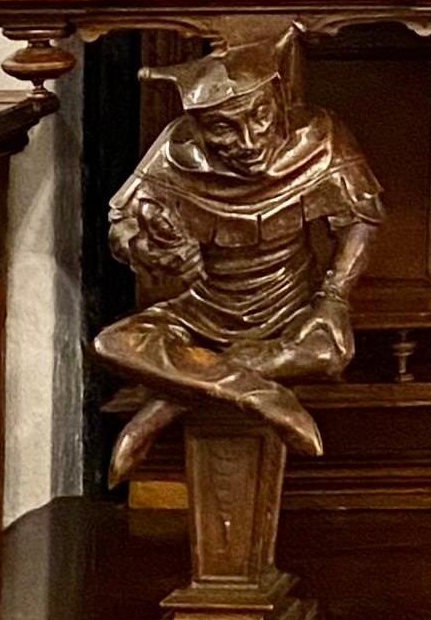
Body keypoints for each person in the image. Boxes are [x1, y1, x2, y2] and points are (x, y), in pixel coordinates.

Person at [94, 32, 382, 485]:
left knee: (329, 349)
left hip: (292, 308)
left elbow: (360, 220)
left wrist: (333, 298)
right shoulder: (176, 151)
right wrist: (155, 252)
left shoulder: (319, 137)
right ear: (196, 126)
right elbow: (122, 226)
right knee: (112, 343)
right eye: (223, 128)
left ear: (278, 100)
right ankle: (262, 393)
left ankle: (165, 407)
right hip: (204, 308)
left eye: (261, 117)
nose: (248, 140)